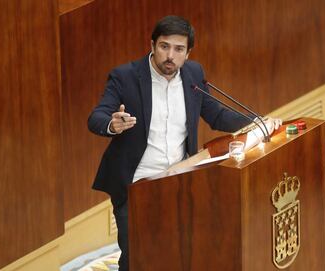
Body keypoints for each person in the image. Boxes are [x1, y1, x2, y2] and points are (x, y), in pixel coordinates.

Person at [88, 15, 279, 271]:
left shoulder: (193, 74)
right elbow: (96, 116)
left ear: (188, 53)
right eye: (164, 46)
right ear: (152, 45)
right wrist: (112, 124)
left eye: (179, 49)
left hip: (179, 180)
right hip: (136, 185)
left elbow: (216, 114)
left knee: (180, 252)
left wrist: (257, 122)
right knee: (136, 258)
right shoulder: (126, 77)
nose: (170, 56)